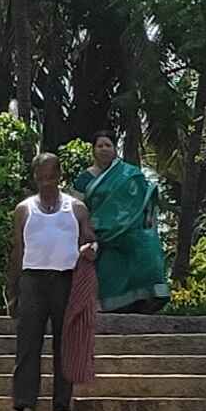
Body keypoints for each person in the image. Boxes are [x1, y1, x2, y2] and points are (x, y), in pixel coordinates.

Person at [6, 152, 97, 411]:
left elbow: (90, 239)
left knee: (65, 343)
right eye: (41, 177)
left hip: (65, 280)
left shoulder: (76, 208)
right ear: (35, 177)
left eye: (51, 176)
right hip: (32, 279)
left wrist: (90, 249)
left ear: (59, 176)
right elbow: (17, 250)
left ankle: (62, 405)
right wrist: (13, 289)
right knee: (28, 344)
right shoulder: (24, 209)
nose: (46, 182)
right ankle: (25, 405)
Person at [72, 130, 172, 314]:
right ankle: (110, 306)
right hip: (100, 233)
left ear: (115, 149)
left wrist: (143, 222)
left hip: (131, 231)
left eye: (108, 145)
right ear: (93, 150)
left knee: (148, 250)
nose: (103, 149)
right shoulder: (84, 178)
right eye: (99, 145)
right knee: (108, 269)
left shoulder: (129, 174)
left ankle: (148, 299)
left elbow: (144, 199)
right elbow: (77, 206)